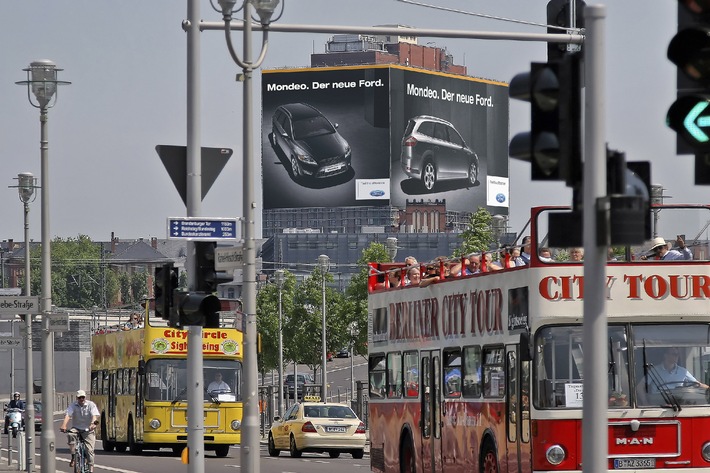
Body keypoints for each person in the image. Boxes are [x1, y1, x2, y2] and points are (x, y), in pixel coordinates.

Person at [637, 347, 709, 402]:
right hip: (659, 403)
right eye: (674, 354)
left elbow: (696, 384)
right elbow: (640, 387)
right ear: (665, 355)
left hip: (678, 403)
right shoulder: (654, 370)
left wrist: (708, 389)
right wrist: (645, 403)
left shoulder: (683, 371)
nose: (677, 356)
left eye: (677, 354)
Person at [60, 390, 100, 472]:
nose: (81, 399)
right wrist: (64, 425)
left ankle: (90, 468)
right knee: (70, 435)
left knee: (90, 451)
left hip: (88, 429)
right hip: (76, 428)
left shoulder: (91, 405)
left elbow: (94, 416)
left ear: (85, 397)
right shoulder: (73, 405)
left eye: (83, 397)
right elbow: (68, 415)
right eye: (79, 398)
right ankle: (73, 456)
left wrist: (93, 424)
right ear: (77, 398)